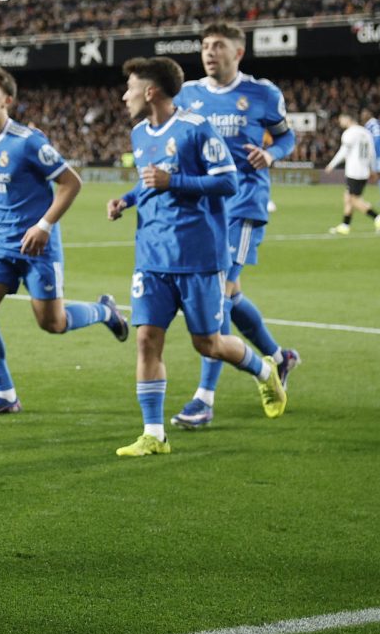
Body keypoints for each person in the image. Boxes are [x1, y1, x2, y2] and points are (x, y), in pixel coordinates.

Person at [107, 57, 288, 457]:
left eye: (131, 88)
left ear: (151, 92)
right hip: (152, 254)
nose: (125, 96)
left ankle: (264, 369)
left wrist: (176, 182)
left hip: (198, 255)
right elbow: (149, 182)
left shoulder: (195, 129)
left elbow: (228, 181)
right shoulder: (139, 134)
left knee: (208, 343)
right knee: (147, 339)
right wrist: (128, 199)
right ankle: (154, 434)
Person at [0, 64, 129, 416]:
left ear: (7, 100)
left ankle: (105, 311)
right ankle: (6, 395)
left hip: (36, 246)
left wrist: (44, 225)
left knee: (52, 323)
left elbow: (71, 182)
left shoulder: (28, 142)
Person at [166, 23, 300, 429]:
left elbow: (286, 137)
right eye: (205, 46)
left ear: (237, 53)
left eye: (218, 46)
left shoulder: (262, 93)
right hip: (202, 211)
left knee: (218, 297)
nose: (209, 52)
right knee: (233, 293)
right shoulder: (187, 94)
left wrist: (272, 153)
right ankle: (279, 358)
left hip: (242, 207)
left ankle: (204, 399)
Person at [326, 112, 380, 234]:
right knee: (348, 196)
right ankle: (345, 225)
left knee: (354, 199)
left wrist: (332, 164)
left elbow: (343, 152)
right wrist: (372, 169)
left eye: (341, 120)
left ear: (347, 119)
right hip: (363, 171)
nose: (340, 123)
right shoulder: (366, 132)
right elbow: (372, 153)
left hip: (354, 171)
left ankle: (378, 217)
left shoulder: (349, 133)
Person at [362, 107, 380, 207]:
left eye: (364, 112)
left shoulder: (374, 124)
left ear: (369, 113)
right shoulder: (367, 125)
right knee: (369, 174)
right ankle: (358, 198)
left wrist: (375, 153)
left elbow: (377, 139)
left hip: (377, 154)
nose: (362, 115)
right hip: (370, 154)